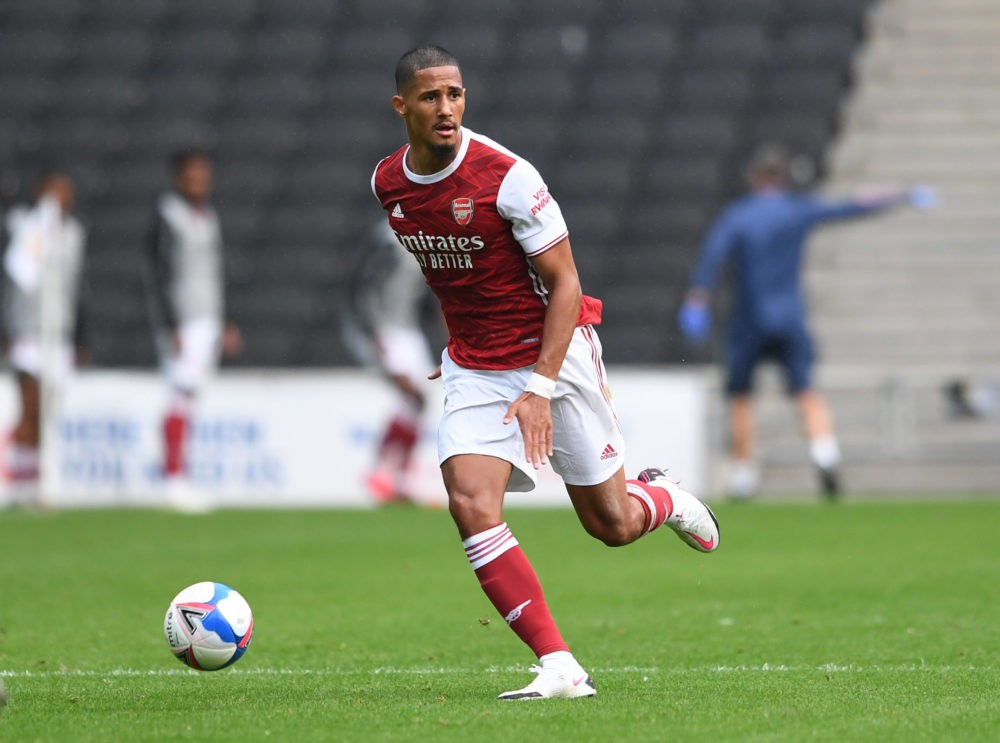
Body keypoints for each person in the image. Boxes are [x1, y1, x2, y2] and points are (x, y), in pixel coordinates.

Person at [372, 45, 720, 701]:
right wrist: (461, 344)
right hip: (475, 367)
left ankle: (664, 497)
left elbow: (565, 285)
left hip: (552, 357)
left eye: (455, 94)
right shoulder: (386, 183)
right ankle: (561, 664)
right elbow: (456, 271)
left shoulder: (507, 176)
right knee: (470, 502)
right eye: (429, 97)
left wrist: (539, 385)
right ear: (402, 106)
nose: (445, 108)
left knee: (611, 524)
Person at [678, 143, 932, 500]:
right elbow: (850, 207)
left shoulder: (739, 214)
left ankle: (744, 474)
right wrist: (901, 196)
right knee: (806, 391)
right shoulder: (797, 210)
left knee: (740, 396)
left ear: (754, 178)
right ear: (783, 179)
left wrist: (697, 298)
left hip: (749, 320)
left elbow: (712, 255)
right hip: (789, 316)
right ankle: (824, 453)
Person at [145, 149, 241, 511]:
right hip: (183, 321)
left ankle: (179, 475)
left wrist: (225, 319)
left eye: (204, 174)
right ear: (178, 177)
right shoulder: (168, 216)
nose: (200, 181)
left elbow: (216, 272)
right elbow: (156, 274)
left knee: (189, 397)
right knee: (180, 394)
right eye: (193, 174)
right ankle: (172, 479)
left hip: (207, 318)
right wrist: (170, 324)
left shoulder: (208, 215)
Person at [341, 218, 439, 504]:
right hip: (386, 329)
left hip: (406, 328)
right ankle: (382, 473)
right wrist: (373, 334)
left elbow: (420, 289)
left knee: (418, 402)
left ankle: (397, 479)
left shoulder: (424, 235)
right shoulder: (388, 238)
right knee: (412, 396)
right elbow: (363, 287)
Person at [2, 172, 87, 499]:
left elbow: (78, 288)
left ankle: (41, 475)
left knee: (50, 409)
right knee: (31, 404)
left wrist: (82, 336)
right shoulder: (21, 225)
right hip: (25, 328)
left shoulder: (74, 234)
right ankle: (23, 479)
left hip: (59, 331)